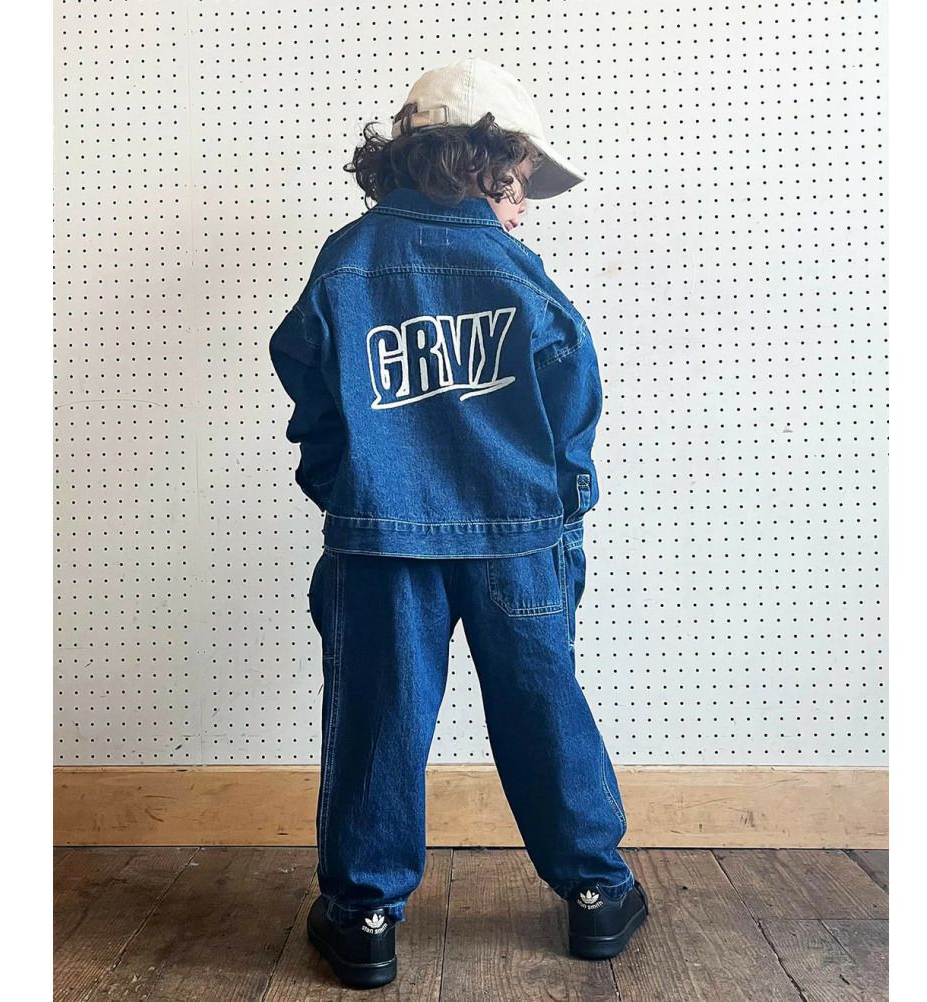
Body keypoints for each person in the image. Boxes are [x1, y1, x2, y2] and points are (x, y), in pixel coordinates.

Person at [269, 57, 649, 989]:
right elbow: (573, 393)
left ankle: (363, 914)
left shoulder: (347, 259)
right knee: (542, 704)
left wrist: (344, 484)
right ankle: (594, 891)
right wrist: (564, 513)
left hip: (381, 538)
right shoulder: (517, 270)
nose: (522, 211)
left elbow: (305, 373)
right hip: (516, 536)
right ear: (477, 165)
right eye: (516, 185)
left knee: (379, 717)